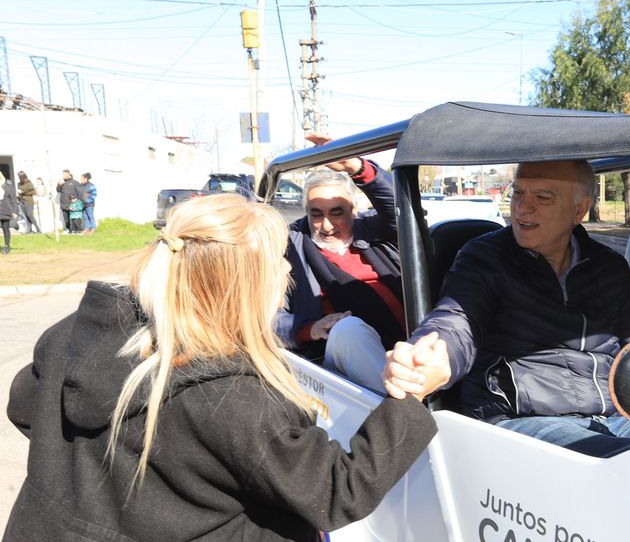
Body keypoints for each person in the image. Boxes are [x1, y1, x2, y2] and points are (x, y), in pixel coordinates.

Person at [4, 193, 444, 541]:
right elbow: (335, 491)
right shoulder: (235, 397)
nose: (287, 271)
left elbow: (25, 406)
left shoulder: (79, 333)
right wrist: (411, 395)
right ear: (243, 287)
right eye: (278, 262)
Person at [385, 160, 630, 457]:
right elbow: (457, 319)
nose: (522, 208)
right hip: (520, 422)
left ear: (579, 210)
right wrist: (432, 356)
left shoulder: (609, 267)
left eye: (542, 198)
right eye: (517, 193)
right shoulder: (485, 257)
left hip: (613, 420)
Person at [278, 133, 404, 395]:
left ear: (353, 210)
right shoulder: (288, 248)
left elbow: (402, 207)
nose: (327, 225)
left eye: (337, 213)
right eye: (316, 214)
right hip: (338, 368)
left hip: (407, 345)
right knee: (348, 330)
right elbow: (262, 318)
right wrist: (308, 328)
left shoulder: (374, 232)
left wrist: (356, 167)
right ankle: (403, 411)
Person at [55, 169, 79, 234]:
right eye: (63, 174)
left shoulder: (75, 182)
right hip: (64, 203)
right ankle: (68, 230)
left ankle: (75, 230)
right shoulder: (61, 182)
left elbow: (79, 192)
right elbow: (58, 190)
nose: (63, 176)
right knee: (66, 218)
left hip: (72, 203)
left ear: (69, 174)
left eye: (64, 174)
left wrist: (76, 198)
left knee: (74, 217)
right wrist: (59, 184)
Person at [0, 171, 17, 254]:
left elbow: (13, 199)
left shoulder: (7, 185)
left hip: (4, 208)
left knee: (5, 228)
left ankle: (7, 246)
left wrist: (15, 211)